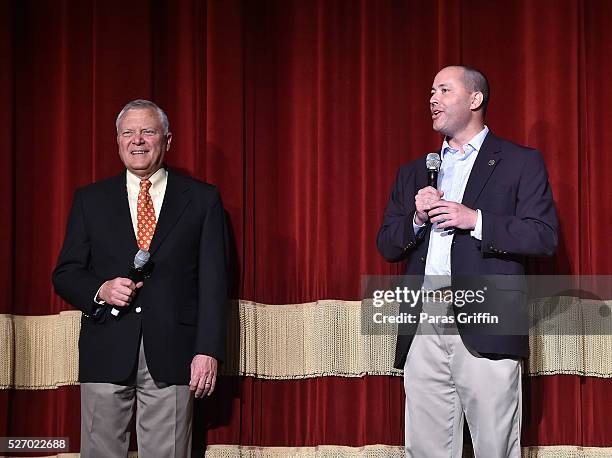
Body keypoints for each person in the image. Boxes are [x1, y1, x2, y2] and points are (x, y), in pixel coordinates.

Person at [376, 66, 558, 457]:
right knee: (426, 447)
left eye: (444, 89)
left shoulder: (518, 162)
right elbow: (388, 244)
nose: (432, 98)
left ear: (475, 99)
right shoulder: (414, 173)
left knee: (494, 445)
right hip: (424, 320)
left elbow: (543, 235)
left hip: (487, 316)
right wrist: (417, 218)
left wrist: (474, 220)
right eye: (431, 91)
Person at [52, 99, 227, 458]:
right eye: (128, 132)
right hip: (106, 347)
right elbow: (66, 273)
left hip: (174, 351)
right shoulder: (90, 199)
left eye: (148, 131)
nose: (138, 140)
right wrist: (100, 289)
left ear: (167, 140)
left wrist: (207, 350)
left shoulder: (202, 199)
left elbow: (214, 283)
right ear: (117, 141)